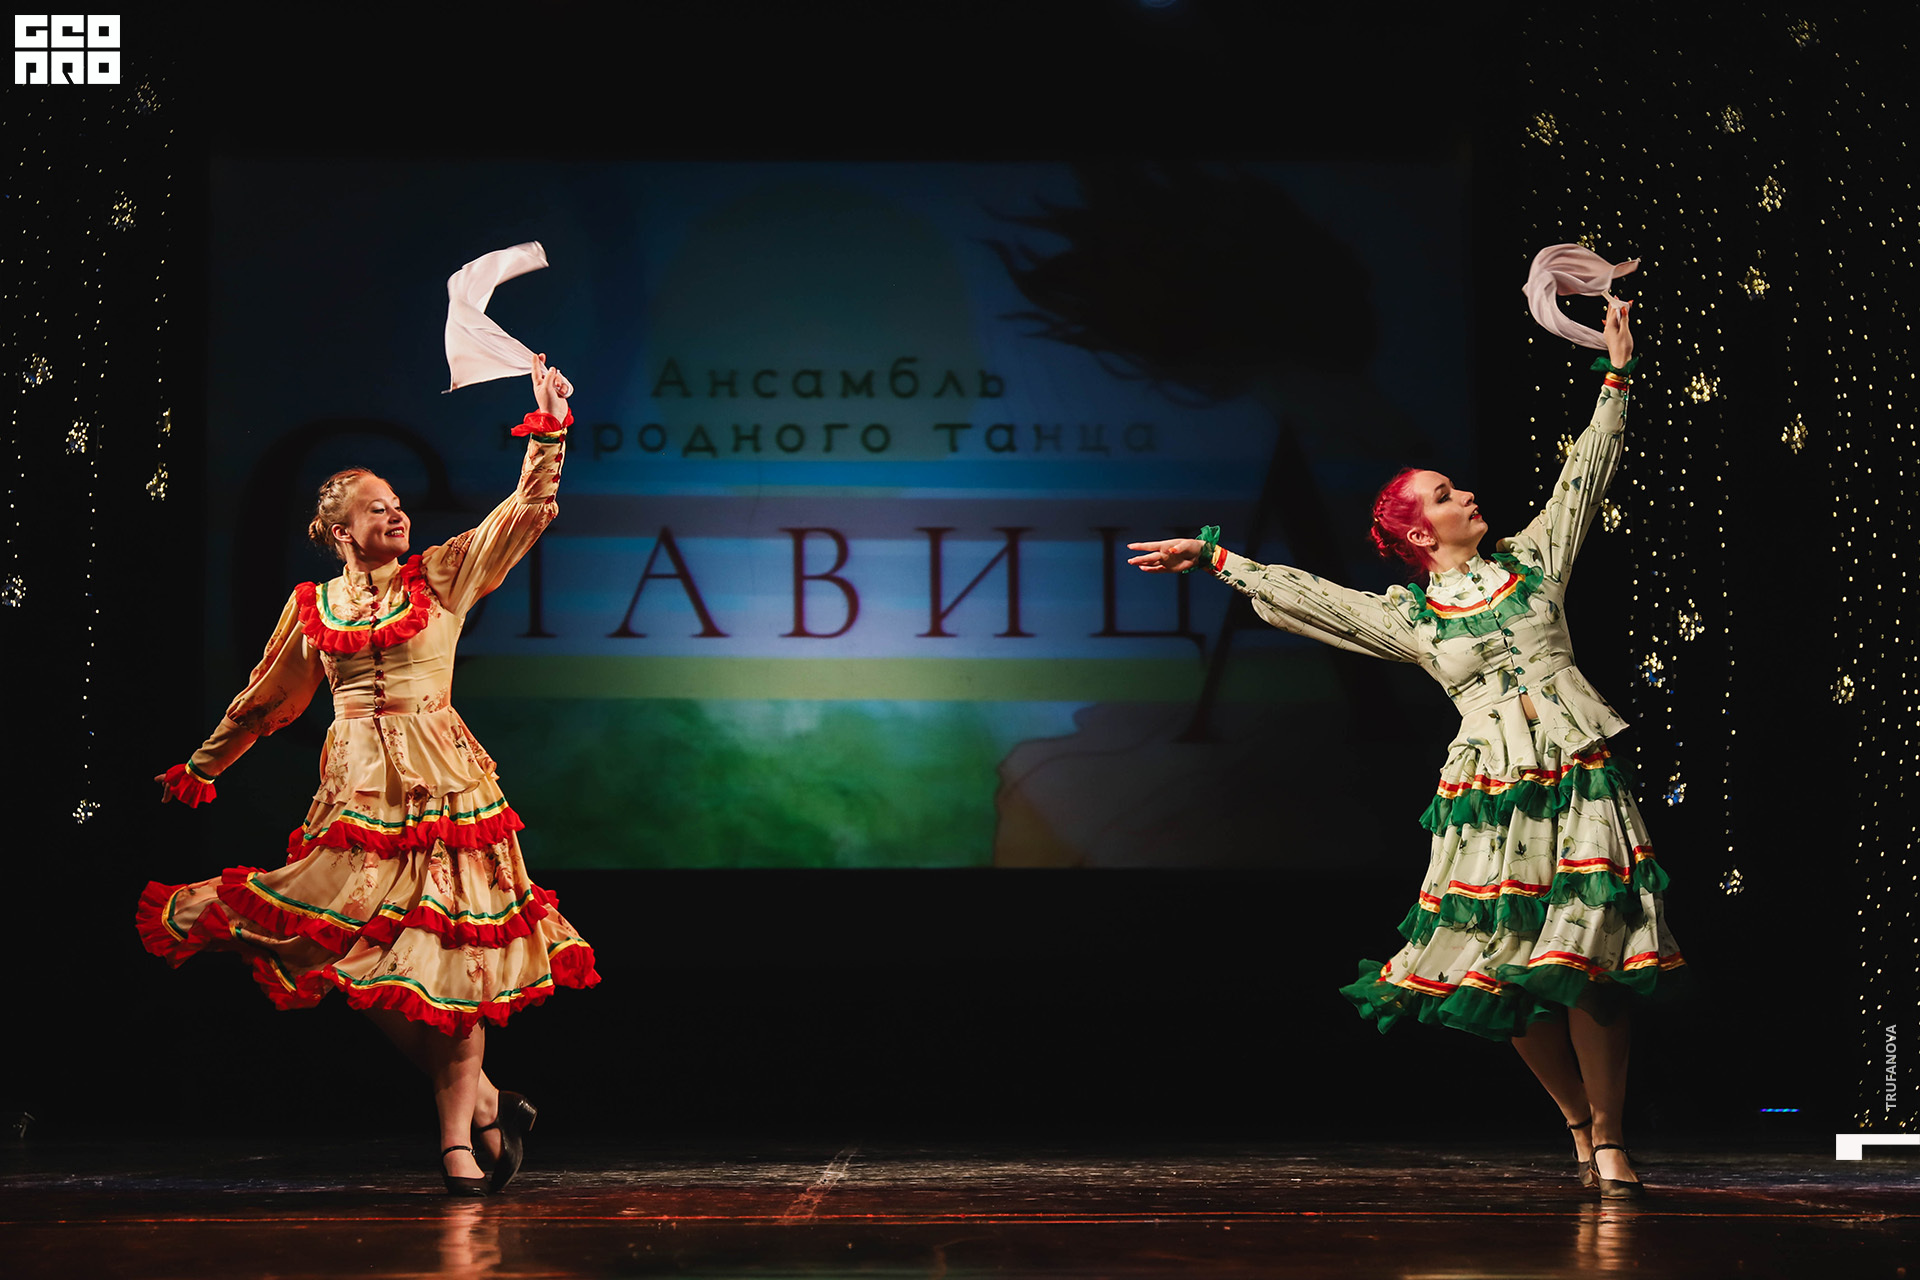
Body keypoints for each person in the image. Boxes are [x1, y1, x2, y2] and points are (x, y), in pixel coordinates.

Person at [1128, 300, 1680, 1199]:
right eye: (1446, 494)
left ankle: (1613, 1138)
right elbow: (1318, 599)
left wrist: (1616, 373)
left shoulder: (1534, 561)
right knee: (1503, 965)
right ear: (1422, 532)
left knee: (1593, 954)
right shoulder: (1412, 616)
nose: (1466, 496)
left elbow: (1585, 475)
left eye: (1457, 487)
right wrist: (1221, 560)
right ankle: (1577, 1125)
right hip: (1490, 790)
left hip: (1577, 774)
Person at [136, 356, 598, 1196]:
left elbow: (522, 514)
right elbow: (267, 699)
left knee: (450, 955)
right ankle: (486, 1102)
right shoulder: (315, 606)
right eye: (377, 508)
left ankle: (457, 1142)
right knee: (356, 955)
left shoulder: (442, 575)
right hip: (355, 798)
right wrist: (203, 766)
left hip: (445, 791)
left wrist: (550, 428)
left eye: (397, 504)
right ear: (340, 530)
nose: (397, 514)